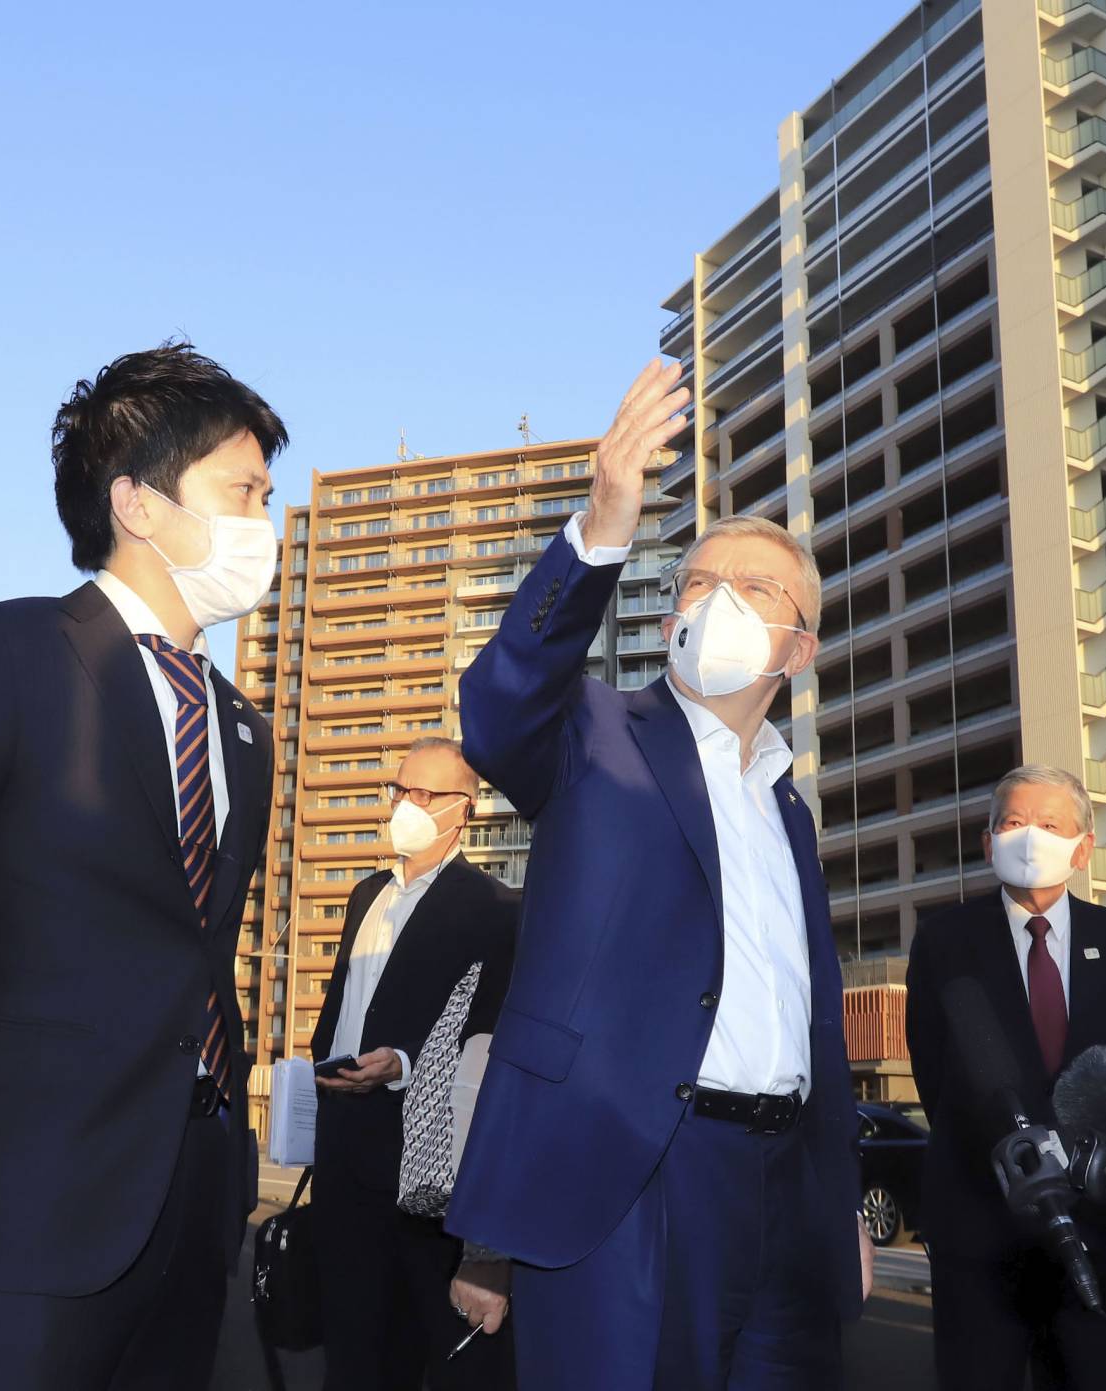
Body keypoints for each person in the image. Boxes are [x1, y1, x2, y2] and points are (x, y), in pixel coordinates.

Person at [445, 361, 871, 1390]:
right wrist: (599, 523)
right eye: (695, 580)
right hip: (627, 1174)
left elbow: (812, 1027)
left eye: (753, 587)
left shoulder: (787, 804)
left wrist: (838, 1202)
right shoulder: (593, 733)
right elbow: (498, 706)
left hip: (783, 1195)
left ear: (798, 647)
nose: (715, 597)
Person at [0, 344, 282, 1388]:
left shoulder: (241, 726)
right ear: (137, 502)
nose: (261, 521)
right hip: (18, 1192)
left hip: (190, 1198)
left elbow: (201, 947)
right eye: (241, 490)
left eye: (266, 496)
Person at [906, 765, 1106, 1390]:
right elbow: (933, 1074)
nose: (1029, 838)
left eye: (1049, 825)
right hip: (979, 1233)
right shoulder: (943, 941)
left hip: (1100, 1227)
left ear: (1083, 845)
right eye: (1013, 823)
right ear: (988, 841)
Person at [308, 737, 519, 1391]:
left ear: (467, 809)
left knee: (441, 1356)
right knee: (350, 1356)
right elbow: (342, 1011)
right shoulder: (364, 894)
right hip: (342, 1166)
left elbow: (485, 1046)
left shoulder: (496, 907)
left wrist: (398, 1063)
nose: (406, 805)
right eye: (399, 790)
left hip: (425, 1182)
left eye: (424, 794)